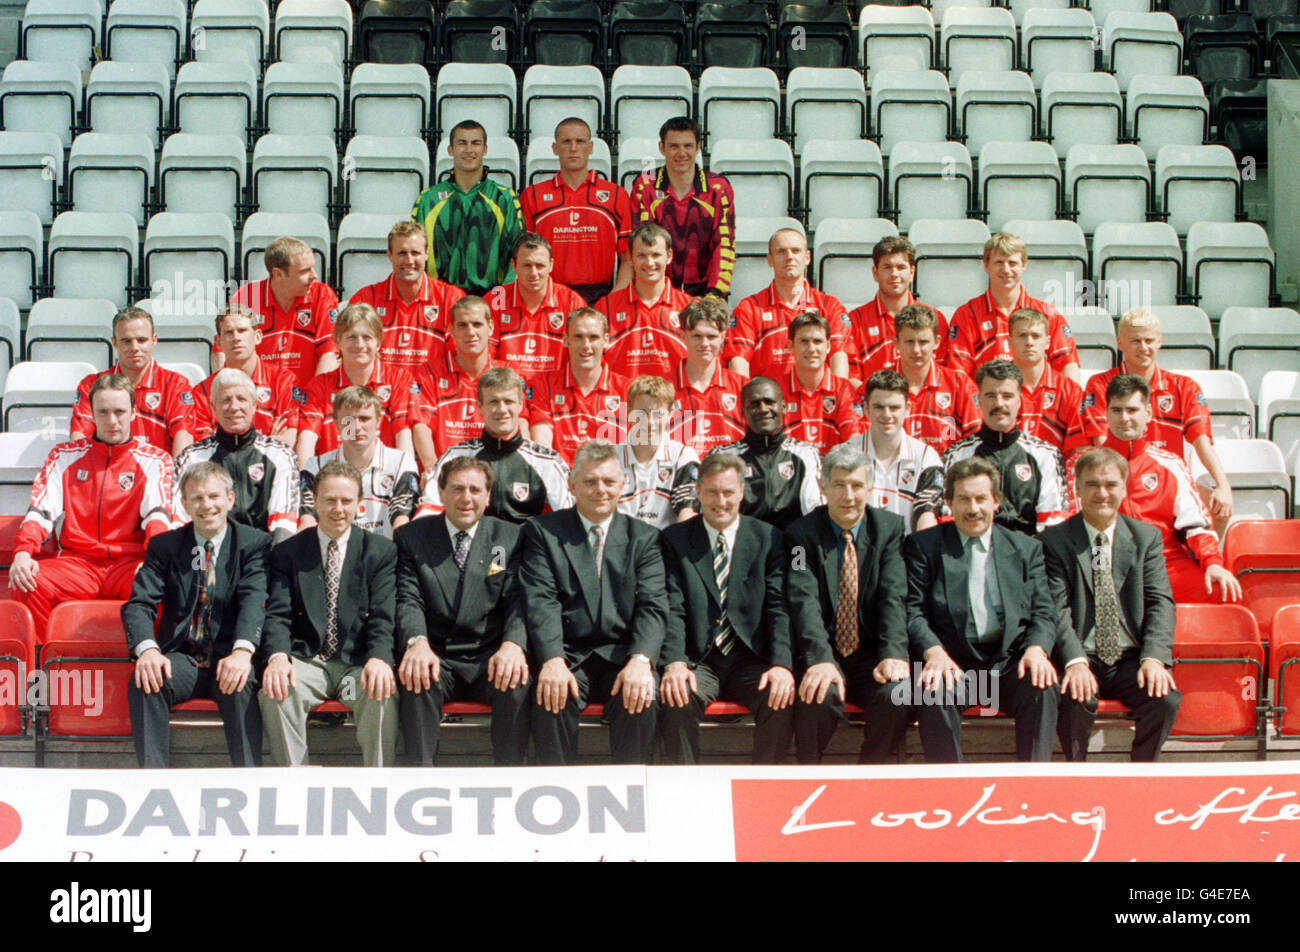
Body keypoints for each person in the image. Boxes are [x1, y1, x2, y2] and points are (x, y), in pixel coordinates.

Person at [520, 441, 669, 764]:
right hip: (570, 653)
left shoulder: (644, 538)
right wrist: (552, 660)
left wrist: (641, 661)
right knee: (551, 693)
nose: (600, 490)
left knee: (642, 693)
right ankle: (556, 794)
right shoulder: (543, 532)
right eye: (589, 482)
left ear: (623, 485)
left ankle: (632, 793)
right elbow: (541, 601)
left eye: (608, 482)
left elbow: (653, 605)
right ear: (571, 485)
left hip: (623, 654)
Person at [904, 457, 1062, 763]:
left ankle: (1033, 786)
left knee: (1042, 686)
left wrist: (1036, 649)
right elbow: (912, 609)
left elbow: (1044, 610)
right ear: (948, 502)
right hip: (953, 662)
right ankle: (952, 789)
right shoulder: (923, 546)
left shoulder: (1026, 549)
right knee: (931, 691)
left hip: (1007, 664)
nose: (973, 508)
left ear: (997, 502)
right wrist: (932, 651)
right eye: (963, 499)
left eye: (981, 499)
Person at [123, 461, 269, 767]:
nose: (207, 505)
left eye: (214, 496)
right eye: (197, 498)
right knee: (146, 679)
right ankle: (154, 783)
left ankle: (250, 781)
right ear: (185, 504)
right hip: (184, 658)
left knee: (241, 682)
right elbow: (139, 604)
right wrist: (147, 651)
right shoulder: (165, 546)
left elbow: (253, 600)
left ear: (230, 499)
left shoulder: (253, 544)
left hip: (230, 657)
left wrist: (243, 652)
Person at [1041, 447, 1181, 762]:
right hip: (1081, 655)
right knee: (1076, 698)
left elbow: (1161, 602)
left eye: (1110, 485)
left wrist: (1155, 658)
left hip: (1130, 659)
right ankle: (1076, 773)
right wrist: (1074, 660)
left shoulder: (1146, 538)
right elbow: (1056, 610)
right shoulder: (1055, 540)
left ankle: (1140, 774)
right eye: (1092, 484)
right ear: (1076, 489)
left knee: (1165, 699)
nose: (1101, 493)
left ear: (1124, 488)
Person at [10, 373, 175, 639]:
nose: (112, 420)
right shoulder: (64, 456)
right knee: (27, 581)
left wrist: (154, 564)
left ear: (133, 412)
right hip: (78, 565)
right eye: (103, 412)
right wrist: (22, 552)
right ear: (91, 414)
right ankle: (39, 671)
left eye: (120, 411)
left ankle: (155, 667)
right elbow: (40, 512)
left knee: (167, 582)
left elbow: (159, 517)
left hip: (128, 564)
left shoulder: (156, 460)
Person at [259, 461, 399, 767]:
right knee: (276, 691)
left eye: (347, 501)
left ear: (359, 505)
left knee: (382, 690)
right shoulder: (288, 552)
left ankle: (379, 785)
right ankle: (295, 783)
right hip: (311, 663)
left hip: (356, 666)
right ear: (315, 502)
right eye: (330, 500)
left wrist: (379, 657)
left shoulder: (380, 551)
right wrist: (279, 656)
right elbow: (279, 615)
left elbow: (383, 615)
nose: (338, 509)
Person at [395, 457, 531, 766]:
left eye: (474, 490)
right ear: (441, 493)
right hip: (437, 654)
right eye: (457, 489)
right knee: (416, 678)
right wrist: (417, 642)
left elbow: (517, 600)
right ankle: (421, 778)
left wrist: (512, 645)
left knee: (517, 681)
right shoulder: (412, 537)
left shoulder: (509, 538)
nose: (466, 498)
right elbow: (408, 598)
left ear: (487, 495)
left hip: (490, 655)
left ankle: (511, 778)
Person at [659, 453, 794, 763]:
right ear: (698, 492)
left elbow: (779, 606)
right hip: (699, 659)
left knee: (780, 696)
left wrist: (781, 664)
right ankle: (685, 790)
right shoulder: (674, 540)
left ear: (742, 493)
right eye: (712, 492)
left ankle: (764, 790)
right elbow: (673, 607)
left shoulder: (771, 539)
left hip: (750, 658)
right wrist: (676, 662)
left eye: (728, 492)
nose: (721, 501)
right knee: (677, 697)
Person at [786, 444, 912, 764]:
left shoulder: (889, 530)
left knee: (898, 694)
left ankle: (869, 777)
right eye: (839, 485)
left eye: (857, 485)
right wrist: (819, 659)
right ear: (823, 487)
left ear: (870, 488)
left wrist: (893, 654)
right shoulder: (800, 535)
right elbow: (803, 600)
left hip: (869, 653)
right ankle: (809, 777)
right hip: (824, 649)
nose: (849, 496)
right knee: (818, 694)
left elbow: (893, 597)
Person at [1074, 374, 1241, 604]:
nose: (1124, 418)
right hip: (1104, 560)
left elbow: (1195, 523)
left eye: (1132, 410)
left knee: (1221, 592)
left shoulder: (1170, 464)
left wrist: (1213, 562)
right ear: (1106, 414)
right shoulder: (1085, 464)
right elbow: (1069, 524)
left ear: (1148, 414)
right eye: (1117, 410)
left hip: (1164, 561)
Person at [1081, 306, 1232, 521]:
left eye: (1149, 340)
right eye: (1135, 341)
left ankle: (1204, 555)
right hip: (1121, 479)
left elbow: (1202, 442)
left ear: (1159, 341)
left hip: (1170, 480)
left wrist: (1223, 485)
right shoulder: (1100, 384)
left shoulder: (1184, 387)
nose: (1143, 347)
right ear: (1120, 343)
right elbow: (1102, 443)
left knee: (1219, 506)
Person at [416, 367, 573, 523]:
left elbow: (569, 521)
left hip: (525, 545)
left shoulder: (546, 461)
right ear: (480, 407)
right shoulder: (455, 457)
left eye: (508, 401)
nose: (501, 410)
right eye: (493, 402)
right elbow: (428, 511)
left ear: (520, 405)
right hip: (471, 543)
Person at [940, 361, 1067, 536]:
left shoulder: (1045, 455)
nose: (999, 404)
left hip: (1027, 554)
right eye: (991, 396)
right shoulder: (957, 455)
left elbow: (1051, 524)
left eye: (1007, 396)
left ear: (1019, 400)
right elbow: (948, 519)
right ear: (979, 400)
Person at [173, 369, 300, 544]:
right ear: (214, 406)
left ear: (254, 405)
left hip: (261, 553)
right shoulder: (192, 457)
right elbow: (180, 520)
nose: (234, 407)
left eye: (241, 399)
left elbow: (284, 524)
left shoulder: (280, 455)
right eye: (225, 400)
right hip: (207, 550)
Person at [520, 117, 634, 303]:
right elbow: (524, 256)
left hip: (600, 294)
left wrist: (614, 297)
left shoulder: (616, 195)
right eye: (566, 141)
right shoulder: (532, 195)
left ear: (590, 147)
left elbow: (628, 258)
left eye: (580, 141)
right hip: (548, 295)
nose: (573, 148)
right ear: (555, 148)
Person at [947, 232, 1081, 383]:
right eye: (999, 262)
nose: (1006, 270)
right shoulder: (967, 314)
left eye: (1012, 263)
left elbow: (1069, 367)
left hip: (1038, 404)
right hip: (986, 403)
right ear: (986, 265)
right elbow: (958, 375)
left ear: (1024, 265)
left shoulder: (1048, 313)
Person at [295, 302, 418, 466]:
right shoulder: (319, 386)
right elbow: (307, 440)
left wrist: (405, 479)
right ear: (338, 341)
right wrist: (306, 484)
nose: (359, 345)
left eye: (367, 337)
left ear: (379, 342)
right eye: (351, 337)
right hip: (333, 479)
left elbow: (403, 435)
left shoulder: (398, 380)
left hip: (384, 479)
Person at [411, 119, 523, 296]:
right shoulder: (428, 199)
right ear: (450, 150)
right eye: (462, 143)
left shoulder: (504, 198)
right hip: (439, 296)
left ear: (485, 149)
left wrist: (503, 297)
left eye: (475, 143)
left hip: (488, 296)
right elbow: (414, 251)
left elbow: (517, 253)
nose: (469, 150)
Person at [726, 227, 852, 381]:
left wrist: (835, 401)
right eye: (781, 252)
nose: (789, 257)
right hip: (768, 401)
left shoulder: (830, 305)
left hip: (816, 401)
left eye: (796, 251)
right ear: (770, 260)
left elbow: (839, 358)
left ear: (807, 257)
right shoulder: (749, 308)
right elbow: (739, 362)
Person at [630, 116, 735, 298]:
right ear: (661, 148)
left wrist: (715, 294)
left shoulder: (718, 187)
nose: (681, 153)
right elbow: (643, 244)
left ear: (698, 147)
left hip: (706, 289)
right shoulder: (645, 184)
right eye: (674, 146)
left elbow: (724, 243)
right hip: (658, 287)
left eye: (688, 146)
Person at [70, 306, 195, 457]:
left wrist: (175, 478)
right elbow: (80, 438)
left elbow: (184, 436)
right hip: (105, 473)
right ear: (114, 342)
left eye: (141, 340)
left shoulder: (175, 384)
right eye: (126, 341)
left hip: (159, 476)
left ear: (154, 340)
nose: (134, 348)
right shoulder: (91, 385)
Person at [300, 387, 419, 539]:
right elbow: (308, 521)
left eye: (364, 419)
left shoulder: (401, 463)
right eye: (348, 420)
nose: (356, 427)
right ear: (336, 424)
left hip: (384, 556)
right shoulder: (315, 466)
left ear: (378, 420)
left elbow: (402, 522)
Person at [347, 220, 467, 371]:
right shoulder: (365, 299)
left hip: (434, 391)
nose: (409, 261)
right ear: (389, 255)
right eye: (402, 253)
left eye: (415, 253)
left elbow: (465, 356)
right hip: (381, 391)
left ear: (426, 254)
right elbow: (345, 354)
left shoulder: (451, 298)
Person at [710, 377, 822, 531]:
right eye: (755, 404)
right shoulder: (724, 457)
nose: (763, 409)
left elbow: (815, 508)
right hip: (744, 546)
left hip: (793, 545)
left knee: (801, 553)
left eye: (769, 402)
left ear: (783, 407)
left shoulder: (805, 453)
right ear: (743, 412)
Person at [410, 296, 509, 468]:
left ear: (490, 328)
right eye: (462, 325)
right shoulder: (429, 373)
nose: (470, 332)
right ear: (452, 330)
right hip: (446, 475)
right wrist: (433, 471)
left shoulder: (506, 374)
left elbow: (519, 426)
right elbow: (421, 426)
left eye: (477, 324)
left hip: (493, 473)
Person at [227, 236, 340, 386]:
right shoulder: (246, 297)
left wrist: (313, 398)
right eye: (305, 271)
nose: (314, 275)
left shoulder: (322, 295)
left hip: (307, 397)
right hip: (257, 399)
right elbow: (223, 353)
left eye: (313, 267)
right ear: (278, 274)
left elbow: (330, 354)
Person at [843, 369, 943, 533]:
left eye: (894, 407)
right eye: (879, 407)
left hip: (908, 553)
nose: (887, 415)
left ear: (907, 408)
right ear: (866, 409)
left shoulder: (926, 457)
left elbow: (927, 518)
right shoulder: (846, 454)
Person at [525, 306, 628, 464]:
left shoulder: (627, 389)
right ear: (566, 339)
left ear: (606, 341)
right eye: (578, 337)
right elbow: (542, 448)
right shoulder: (543, 385)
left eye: (593, 337)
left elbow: (637, 453)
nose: (586, 345)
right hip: (560, 483)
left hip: (609, 484)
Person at [592, 222, 693, 380]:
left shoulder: (689, 307)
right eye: (641, 256)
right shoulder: (605, 307)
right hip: (621, 402)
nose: (649, 263)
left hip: (673, 402)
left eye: (656, 255)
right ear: (631, 258)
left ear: (669, 256)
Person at [190, 304, 299, 447]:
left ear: (258, 336)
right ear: (219, 341)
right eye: (229, 332)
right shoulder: (202, 392)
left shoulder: (283, 380)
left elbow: (288, 439)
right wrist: (268, 441)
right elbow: (205, 449)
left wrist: (233, 446)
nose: (236, 338)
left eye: (242, 330)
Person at [844, 236, 947, 386]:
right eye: (887, 267)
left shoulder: (935, 318)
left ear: (912, 272)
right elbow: (851, 379)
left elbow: (943, 375)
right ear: (875, 273)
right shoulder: (855, 320)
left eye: (900, 267)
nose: (894, 274)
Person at [486, 232, 588, 380]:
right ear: (514, 265)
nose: (534, 273)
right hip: (507, 390)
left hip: (554, 392)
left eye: (539, 265)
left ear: (551, 265)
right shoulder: (497, 297)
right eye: (527, 265)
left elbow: (582, 356)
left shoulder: (571, 301)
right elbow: (483, 354)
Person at [889, 303, 980, 453]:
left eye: (923, 342)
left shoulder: (960, 385)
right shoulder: (879, 385)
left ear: (937, 342)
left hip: (948, 472)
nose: (916, 350)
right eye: (909, 342)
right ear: (896, 343)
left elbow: (976, 441)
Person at [615, 375, 699, 528]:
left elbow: (688, 513)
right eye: (642, 412)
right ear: (628, 410)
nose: (649, 422)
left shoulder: (683, 456)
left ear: (671, 413)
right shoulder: (611, 457)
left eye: (658, 414)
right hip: (621, 546)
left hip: (666, 546)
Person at [669, 295, 746, 456]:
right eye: (697, 336)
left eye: (711, 337)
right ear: (683, 335)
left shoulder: (742, 388)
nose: (704, 344)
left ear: (723, 337)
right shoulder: (663, 389)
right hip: (678, 478)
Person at [778, 311, 862, 455]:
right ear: (790, 346)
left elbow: (854, 440)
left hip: (833, 472)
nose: (811, 349)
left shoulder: (844, 390)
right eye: (804, 341)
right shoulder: (777, 390)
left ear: (828, 346)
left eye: (818, 341)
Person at [1007, 307, 1087, 457]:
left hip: (1054, 477)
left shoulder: (1070, 391)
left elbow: (1079, 452)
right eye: (1022, 335)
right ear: (1009, 341)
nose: (1029, 342)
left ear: (1048, 342)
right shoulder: (995, 387)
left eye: (1036, 336)